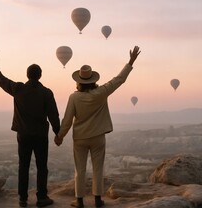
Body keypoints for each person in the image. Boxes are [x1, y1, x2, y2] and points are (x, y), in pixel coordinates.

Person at [54, 46, 141, 208]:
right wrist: (130, 62)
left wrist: (60, 136)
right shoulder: (101, 92)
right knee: (98, 169)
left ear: (78, 82)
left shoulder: (74, 97)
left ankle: (79, 201)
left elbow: (67, 119)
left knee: (79, 170)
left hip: (80, 137)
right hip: (98, 136)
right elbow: (118, 80)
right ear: (93, 80)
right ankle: (97, 200)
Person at [0, 52, 60, 208]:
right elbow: (53, 115)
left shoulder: (18, 89)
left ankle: (23, 199)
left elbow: (1, 81)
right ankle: (41, 197)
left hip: (23, 134)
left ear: (27, 75)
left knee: (23, 166)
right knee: (42, 167)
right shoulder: (46, 92)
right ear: (40, 76)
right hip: (40, 135)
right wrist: (58, 133)